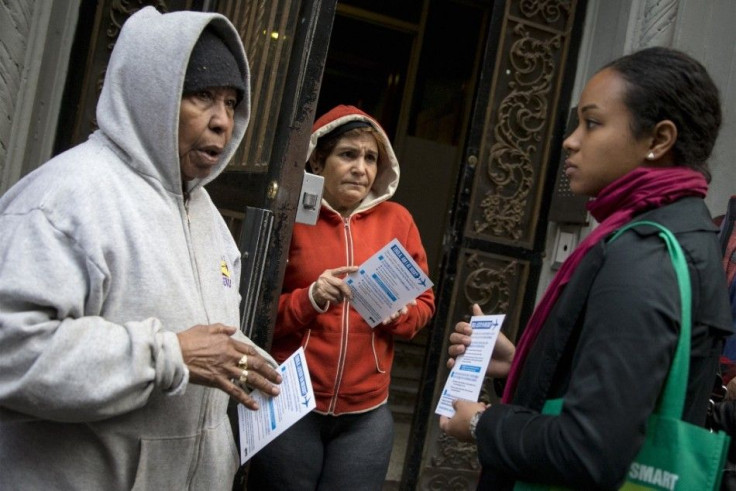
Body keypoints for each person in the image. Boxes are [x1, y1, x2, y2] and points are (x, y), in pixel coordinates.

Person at [0, 7, 282, 490]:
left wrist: (238, 357)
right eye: (202, 96)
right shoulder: (66, 196)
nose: (222, 122)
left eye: (232, 103)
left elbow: (196, 334)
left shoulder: (209, 215)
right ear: (153, 95)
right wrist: (168, 354)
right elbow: (11, 349)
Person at [439, 46, 733, 489]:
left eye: (592, 123)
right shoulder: (673, 230)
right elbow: (626, 390)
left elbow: (589, 449)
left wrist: (484, 423)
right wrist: (523, 364)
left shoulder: (646, 254)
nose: (570, 140)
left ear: (658, 140)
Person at [247, 105, 435, 490]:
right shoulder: (290, 218)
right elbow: (254, 316)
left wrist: (398, 314)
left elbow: (424, 306)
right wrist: (311, 298)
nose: (361, 168)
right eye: (347, 154)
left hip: (366, 414)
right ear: (319, 157)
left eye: (370, 158)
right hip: (291, 402)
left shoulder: (398, 221)